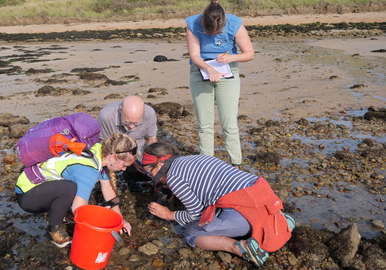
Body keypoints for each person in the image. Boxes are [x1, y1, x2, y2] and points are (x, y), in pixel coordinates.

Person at [142, 142, 296, 267]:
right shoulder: (194, 159)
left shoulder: (174, 178)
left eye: (150, 172)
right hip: (265, 196)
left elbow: (195, 214)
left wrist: (168, 214)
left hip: (243, 210)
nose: (151, 177)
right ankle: (280, 220)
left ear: (160, 165)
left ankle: (240, 247)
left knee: (192, 234)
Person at [15, 133, 137, 248]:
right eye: (124, 165)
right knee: (69, 188)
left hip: (36, 187)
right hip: (28, 196)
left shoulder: (99, 150)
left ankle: (56, 211)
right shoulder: (88, 170)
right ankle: (54, 230)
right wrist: (98, 222)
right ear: (113, 157)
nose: (125, 169)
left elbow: (108, 189)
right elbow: (78, 209)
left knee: (74, 188)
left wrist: (120, 220)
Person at [185, 0, 255, 168]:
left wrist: (231, 57)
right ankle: (206, 165)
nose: (215, 34)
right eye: (210, 32)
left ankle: (235, 164)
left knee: (229, 123)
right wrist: (209, 69)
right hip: (200, 71)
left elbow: (249, 53)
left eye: (219, 31)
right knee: (205, 124)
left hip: (228, 71)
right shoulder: (193, 23)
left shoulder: (235, 23)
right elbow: (195, 56)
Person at [97, 95, 158, 191]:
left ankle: (132, 179)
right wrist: (129, 161)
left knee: (148, 171)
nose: (131, 127)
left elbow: (152, 141)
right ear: (120, 110)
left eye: (136, 123)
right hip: (115, 152)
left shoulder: (150, 113)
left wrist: (152, 164)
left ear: (143, 112)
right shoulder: (106, 116)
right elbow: (103, 145)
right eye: (127, 122)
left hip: (138, 151)